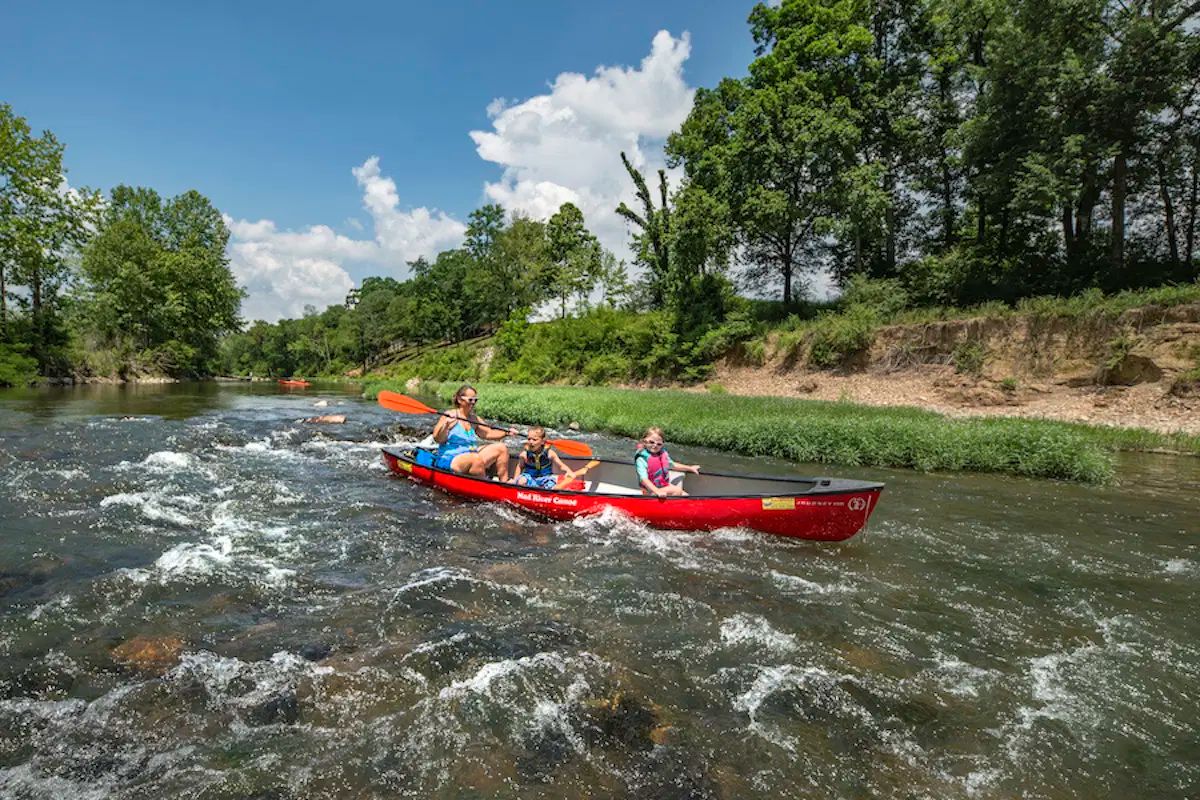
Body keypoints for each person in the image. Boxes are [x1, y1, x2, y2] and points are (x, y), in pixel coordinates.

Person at [432, 385, 516, 480]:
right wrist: (446, 426)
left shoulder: (474, 419)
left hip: (472, 456)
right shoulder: (449, 415)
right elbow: (437, 439)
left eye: (475, 400)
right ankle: (486, 485)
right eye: (470, 400)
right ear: (460, 400)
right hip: (451, 459)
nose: (473, 403)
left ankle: (504, 484)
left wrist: (506, 433)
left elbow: (488, 433)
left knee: (501, 448)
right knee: (475, 458)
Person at [634, 426, 700, 497]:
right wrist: (657, 491)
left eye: (659, 444)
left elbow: (672, 465)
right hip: (650, 490)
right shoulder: (641, 459)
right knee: (677, 491)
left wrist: (690, 468)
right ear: (644, 441)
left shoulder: (662, 454)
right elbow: (644, 479)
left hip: (662, 486)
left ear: (662, 444)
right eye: (651, 442)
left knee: (685, 495)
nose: (655, 445)